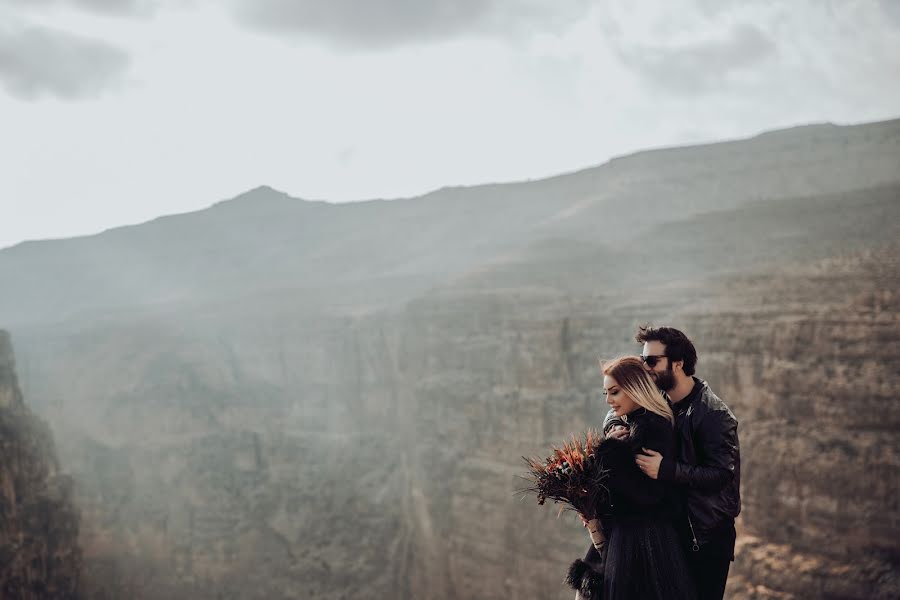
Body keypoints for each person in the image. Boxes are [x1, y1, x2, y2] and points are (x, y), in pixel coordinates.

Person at [623, 325, 741, 600]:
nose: (645, 368)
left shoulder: (713, 414)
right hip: (672, 531)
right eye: (642, 360)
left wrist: (666, 470)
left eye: (652, 361)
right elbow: (618, 406)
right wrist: (614, 427)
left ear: (678, 364)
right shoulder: (657, 400)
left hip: (706, 537)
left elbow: (722, 473)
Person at [567, 356, 696, 600]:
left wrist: (608, 452)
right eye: (605, 393)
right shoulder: (633, 422)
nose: (608, 401)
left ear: (635, 388)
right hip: (627, 533)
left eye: (614, 392)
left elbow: (648, 494)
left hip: (642, 541)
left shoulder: (652, 427)